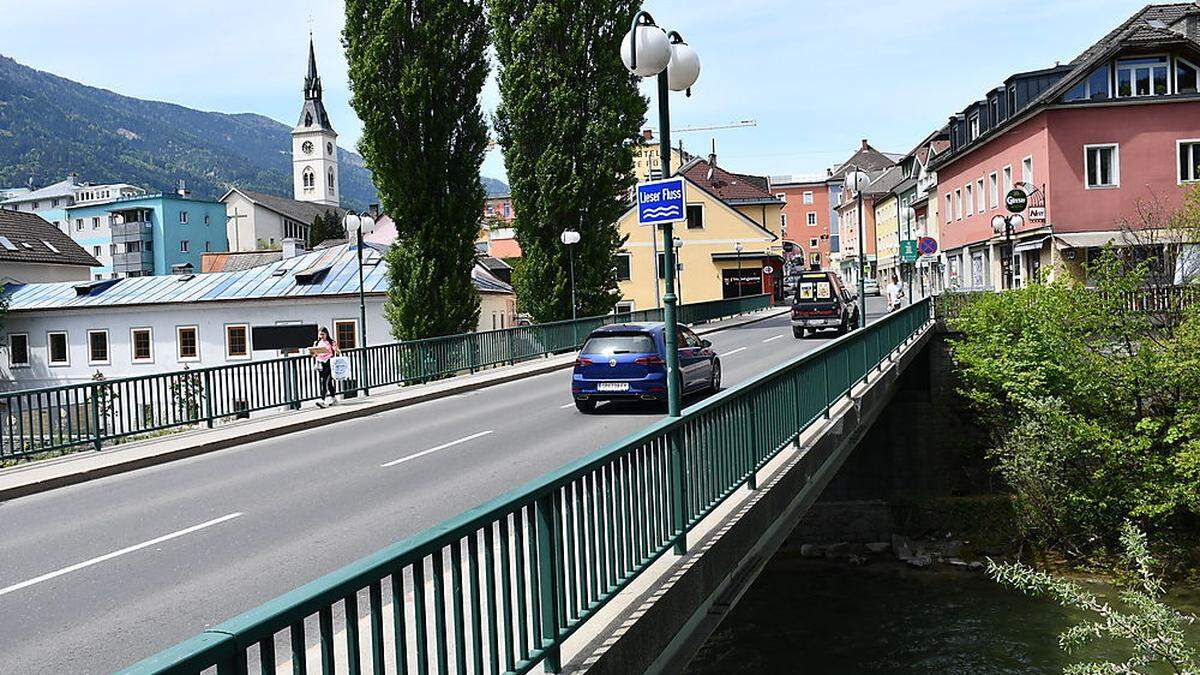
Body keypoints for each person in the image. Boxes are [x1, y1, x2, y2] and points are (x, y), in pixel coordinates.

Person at [313, 327, 339, 408]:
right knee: (328, 383)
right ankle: (334, 399)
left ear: (326, 334)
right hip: (321, 364)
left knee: (325, 382)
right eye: (320, 334)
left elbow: (338, 352)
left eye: (323, 334)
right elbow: (314, 354)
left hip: (329, 363)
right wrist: (313, 352)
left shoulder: (331, 342)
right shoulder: (317, 342)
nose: (321, 336)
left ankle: (322, 400)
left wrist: (335, 349)